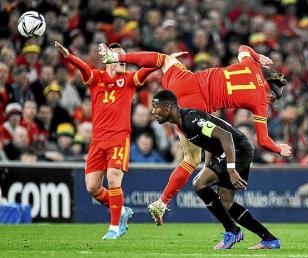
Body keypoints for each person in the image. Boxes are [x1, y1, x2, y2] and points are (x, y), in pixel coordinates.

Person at [98, 44, 292, 224]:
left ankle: (115, 55)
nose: (271, 103)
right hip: (195, 108)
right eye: (273, 100)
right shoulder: (262, 102)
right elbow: (263, 140)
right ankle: (162, 203)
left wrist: (259, 57)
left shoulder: (251, 64)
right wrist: (278, 148)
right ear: (271, 95)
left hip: (187, 82)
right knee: (190, 159)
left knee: (164, 60)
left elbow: (243, 48)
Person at [151, 90, 281, 250]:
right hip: (233, 151)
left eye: (155, 107)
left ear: (168, 107)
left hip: (237, 150)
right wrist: (208, 165)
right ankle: (269, 239)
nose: (153, 111)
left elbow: (225, 136)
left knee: (199, 183)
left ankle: (232, 231)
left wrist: (231, 169)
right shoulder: (183, 124)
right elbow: (209, 141)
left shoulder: (191, 120)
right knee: (226, 203)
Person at [54, 41, 157, 240]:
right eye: (119, 58)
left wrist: (163, 60)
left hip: (119, 137)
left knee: (113, 178)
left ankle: (114, 227)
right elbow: (83, 68)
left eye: (124, 59)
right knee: (92, 187)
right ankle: (122, 210)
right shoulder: (96, 78)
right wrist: (69, 56)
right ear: (109, 61)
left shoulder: (129, 80)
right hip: (98, 140)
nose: (123, 61)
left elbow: (147, 69)